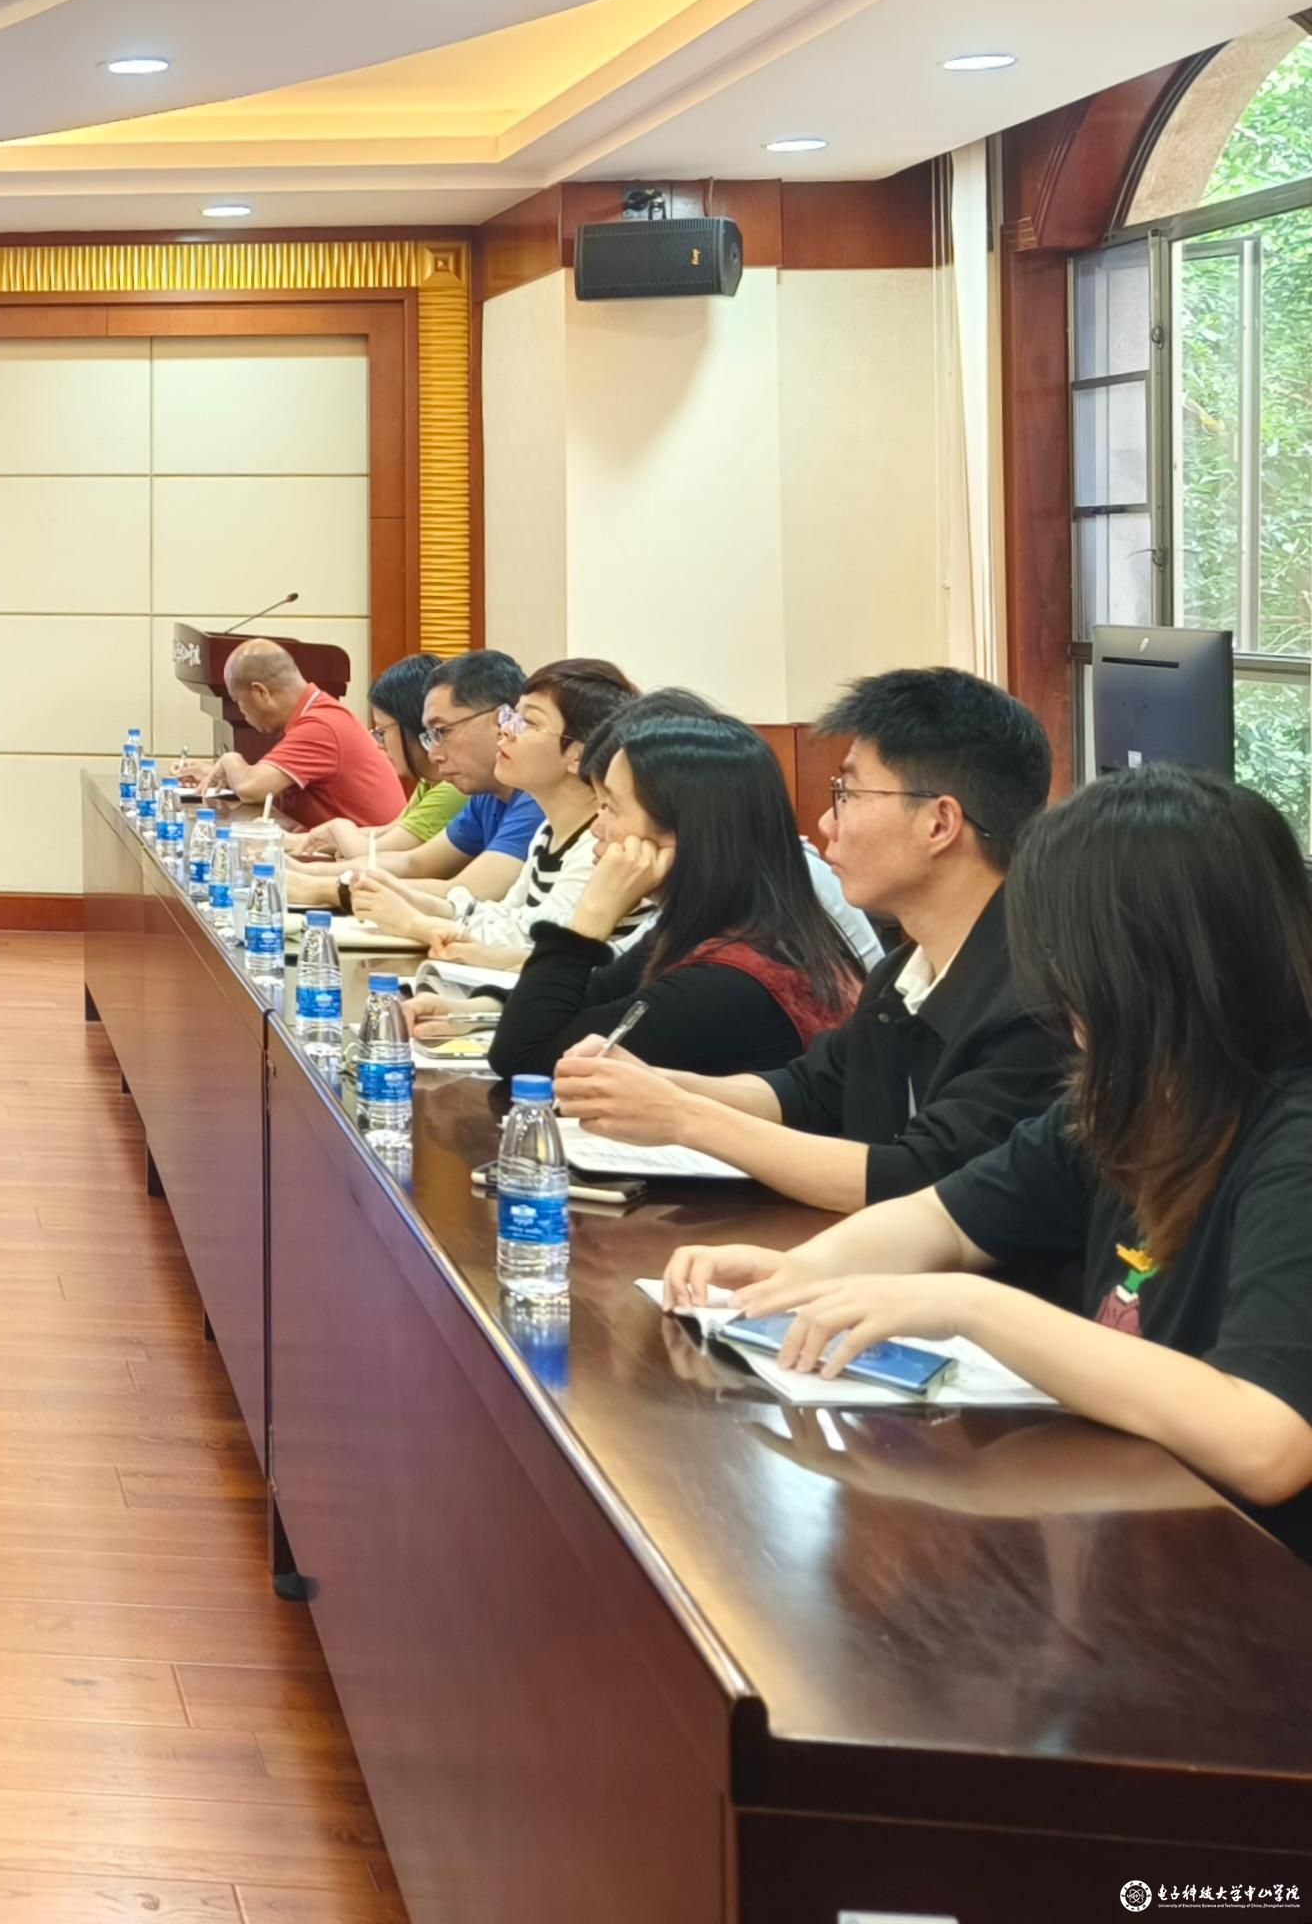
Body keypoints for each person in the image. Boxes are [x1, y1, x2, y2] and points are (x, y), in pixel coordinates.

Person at [664, 765, 1312, 1561]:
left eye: (1061, 949)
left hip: (1257, 1581)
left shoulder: (1292, 1133)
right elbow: (943, 1217)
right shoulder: (1129, 1099)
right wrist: (804, 1274)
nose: (1046, 980)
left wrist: (972, 1306)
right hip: (1150, 1531)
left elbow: (1268, 1441)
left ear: (1141, 959)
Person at [559, 667, 1061, 1209]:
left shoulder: (1039, 998)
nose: (826, 821)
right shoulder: (905, 971)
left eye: (849, 794)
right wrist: (653, 1084)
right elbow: (809, 1090)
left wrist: (683, 1117)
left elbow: (923, 1180)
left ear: (939, 824)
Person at [484, 701, 864, 1081]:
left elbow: (524, 1057)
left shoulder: (729, 980)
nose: (597, 828)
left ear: (680, 832)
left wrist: (592, 913)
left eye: (610, 808)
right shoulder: (708, 924)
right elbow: (581, 1001)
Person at [359, 656, 635, 972]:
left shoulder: (598, 846)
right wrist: (412, 899)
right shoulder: (549, 832)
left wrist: (414, 923)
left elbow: (533, 943)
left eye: (528, 723)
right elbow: (511, 915)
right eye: (511, 718)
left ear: (578, 755)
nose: (505, 732)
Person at [283, 649, 539, 908]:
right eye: (429, 737)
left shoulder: (537, 795)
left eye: (441, 731)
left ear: (502, 721)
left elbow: (469, 892)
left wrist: (322, 889)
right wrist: (301, 872)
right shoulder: (486, 796)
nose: (434, 754)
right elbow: (413, 863)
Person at [198, 641, 405, 835]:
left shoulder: (320, 726)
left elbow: (250, 787)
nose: (241, 710)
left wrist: (229, 759)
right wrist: (219, 777)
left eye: (238, 701)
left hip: (372, 855)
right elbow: (271, 791)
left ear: (261, 692)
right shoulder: (314, 713)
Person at [369, 653, 465, 847]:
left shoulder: (454, 786)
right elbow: (392, 831)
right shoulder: (429, 778)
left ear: (413, 725)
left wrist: (337, 829)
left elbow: (384, 851)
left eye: (382, 732)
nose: (380, 744)